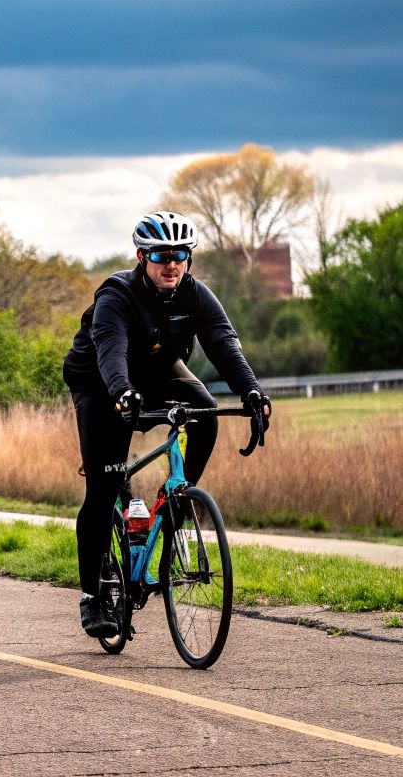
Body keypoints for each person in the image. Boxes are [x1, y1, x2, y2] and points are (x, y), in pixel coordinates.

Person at [63, 211, 272, 638]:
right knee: (103, 491)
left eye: (179, 254)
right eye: (161, 256)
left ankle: (173, 504)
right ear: (142, 257)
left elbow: (223, 343)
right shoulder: (116, 295)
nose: (171, 263)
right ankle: (93, 597)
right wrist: (122, 391)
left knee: (206, 411)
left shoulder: (194, 294)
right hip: (101, 383)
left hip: (158, 372)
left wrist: (251, 391)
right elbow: (111, 350)